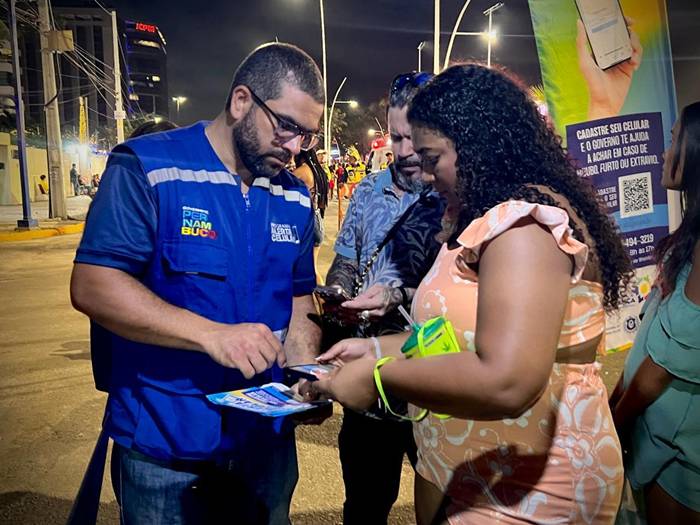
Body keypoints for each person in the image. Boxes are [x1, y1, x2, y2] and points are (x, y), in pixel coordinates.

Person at [311, 64, 634, 524]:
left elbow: (507, 379)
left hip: (528, 489)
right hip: (483, 472)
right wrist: (381, 347)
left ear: (476, 143)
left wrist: (378, 376)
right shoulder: (487, 216)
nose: (425, 174)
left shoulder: (523, 226)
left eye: (432, 157)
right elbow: (460, 335)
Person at [70, 42, 325, 525]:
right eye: (287, 127)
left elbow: (298, 297)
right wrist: (211, 335)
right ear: (242, 101)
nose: (295, 148)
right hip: (165, 447)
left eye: (306, 136)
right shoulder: (148, 167)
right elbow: (93, 283)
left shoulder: (293, 196)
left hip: (263, 447)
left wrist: (305, 373)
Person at [324, 71, 445, 525]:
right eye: (396, 137)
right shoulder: (367, 191)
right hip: (370, 383)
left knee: (444, 507)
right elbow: (346, 259)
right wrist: (338, 294)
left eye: (414, 137)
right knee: (364, 505)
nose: (404, 150)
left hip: (435, 382)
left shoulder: (455, 198)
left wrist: (396, 296)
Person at [611, 101, 700, 524]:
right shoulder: (692, 232)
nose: (665, 154)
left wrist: (616, 422)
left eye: (673, 140)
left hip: (677, 454)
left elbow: (663, 367)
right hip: (657, 436)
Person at [293, 149, 330, 282]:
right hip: (317, 220)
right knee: (312, 268)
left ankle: (322, 294)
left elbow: (281, 184)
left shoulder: (302, 171)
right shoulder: (318, 171)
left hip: (309, 222)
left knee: (309, 270)